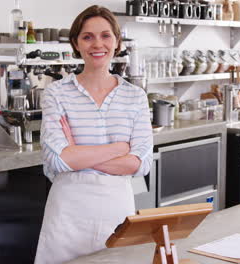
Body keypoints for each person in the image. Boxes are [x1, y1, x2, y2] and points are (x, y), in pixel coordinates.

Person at [34, 5, 153, 264]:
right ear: (76, 43)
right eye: (87, 37)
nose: (97, 44)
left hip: (116, 212)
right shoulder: (57, 93)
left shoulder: (135, 97)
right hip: (67, 215)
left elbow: (140, 164)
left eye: (105, 35)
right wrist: (119, 148)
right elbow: (57, 160)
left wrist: (77, 152)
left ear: (117, 42)